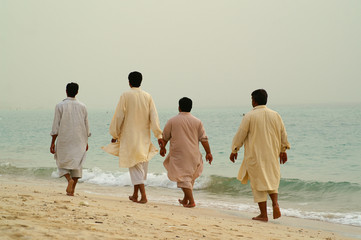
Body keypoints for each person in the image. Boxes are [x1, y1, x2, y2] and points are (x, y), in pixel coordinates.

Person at [229, 89, 290, 222]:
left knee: (258, 183)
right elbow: (283, 134)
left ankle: (263, 214)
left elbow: (241, 134)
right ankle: (275, 204)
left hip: (255, 155)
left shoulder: (249, 116)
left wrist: (234, 150)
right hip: (272, 155)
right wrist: (283, 150)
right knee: (271, 180)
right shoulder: (276, 115)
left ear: (254, 101)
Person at [103, 71, 162, 204]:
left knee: (135, 166)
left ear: (129, 82)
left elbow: (118, 116)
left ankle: (144, 196)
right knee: (139, 164)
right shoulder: (148, 96)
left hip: (130, 136)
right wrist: (158, 135)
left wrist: (115, 134)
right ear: (141, 81)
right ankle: (135, 195)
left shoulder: (125, 95)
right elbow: (154, 117)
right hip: (144, 137)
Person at [159, 97, 213, 208]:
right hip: (194, 154)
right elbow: (204, 139)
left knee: (183, 178)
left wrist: (162, 148)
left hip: (179, 155)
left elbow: (164, 137)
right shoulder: (197, 121)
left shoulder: (172, 121)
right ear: (191, 108)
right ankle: (185, 199)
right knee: (189, 177)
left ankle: (192, 201)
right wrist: (208, 153)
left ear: (179, 107)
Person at [50, 82, 91, 196]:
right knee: (77, 165)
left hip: (65, 138)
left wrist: (53, 142)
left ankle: (69, 180)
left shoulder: (60, 106)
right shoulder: (83, 106)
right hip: (79, 139)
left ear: (66, 91)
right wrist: (86, 141)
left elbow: (56, 126)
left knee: (61, 162)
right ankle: (72, 190)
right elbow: (86, 125)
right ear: (77, 92)